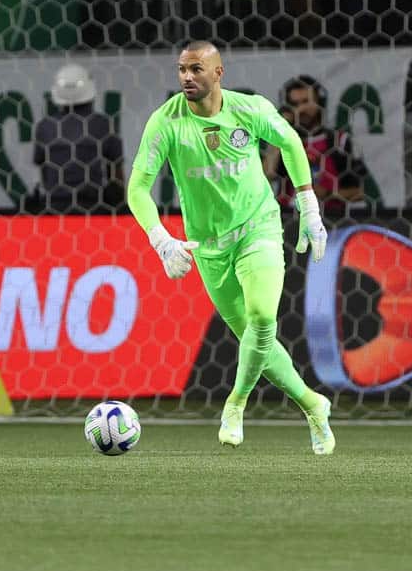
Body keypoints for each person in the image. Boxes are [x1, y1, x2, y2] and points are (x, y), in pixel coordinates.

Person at [127, 41, 336, 453]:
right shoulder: (166, 123)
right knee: (256, 338)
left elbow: (292, 142)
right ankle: (313, 404)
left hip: (258, 227)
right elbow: (137, 189)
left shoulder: (250, 108)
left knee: (261, 316)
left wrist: (309, 205)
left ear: (218, 72)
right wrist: (161, 240)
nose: (187, 77)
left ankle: (235, 404)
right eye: (182, 70)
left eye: (196, 69)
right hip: (209, 246)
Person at [263, 75, 369, 212]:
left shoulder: (340, 141)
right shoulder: (284, 141)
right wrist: (281, 130)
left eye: (306, 101)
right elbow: (266, 176)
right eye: (295, 104)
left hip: (330, 218)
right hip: (288, 217)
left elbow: (360, 192)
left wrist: (329, 194)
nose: (301, 109)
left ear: (320, 102)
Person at [32, 63, 125, 212]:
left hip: (54, 208)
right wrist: (121, 207)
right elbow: (115, 171)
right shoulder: (102, 124)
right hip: (94, 207)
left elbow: (42, 169)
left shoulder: (45, 126)